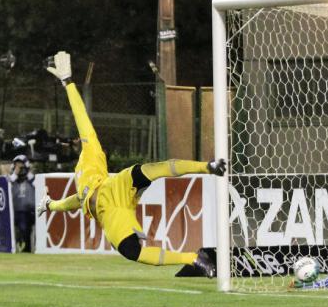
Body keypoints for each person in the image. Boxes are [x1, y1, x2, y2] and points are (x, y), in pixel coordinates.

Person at [37, 51, 224, 277]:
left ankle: (208, 167)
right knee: (132, 252)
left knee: (154, 169)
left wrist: (67, 82)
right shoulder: (82, 191)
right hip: (113, 216)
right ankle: (194, 258)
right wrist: (49, 205)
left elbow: (81, 119)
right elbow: (70, 203)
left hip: (118, 187)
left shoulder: (91, 152)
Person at [9, 155, 36, 252]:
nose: (19, 167)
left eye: (21, 165)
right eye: (17, 165)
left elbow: (37, 184)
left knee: (25, 228)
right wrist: (15, 173)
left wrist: (27, 172)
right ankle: (18, 247)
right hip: (14, 210)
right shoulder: (12, 179)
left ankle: (26, 248)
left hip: (29, 211)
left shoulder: (32, 179)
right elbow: (7, 185)